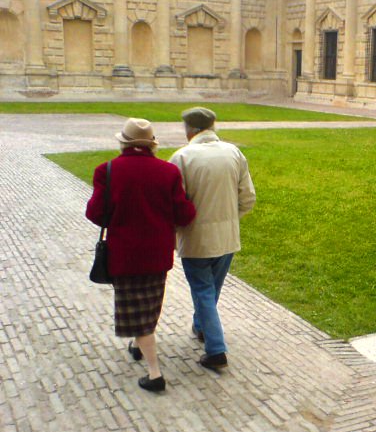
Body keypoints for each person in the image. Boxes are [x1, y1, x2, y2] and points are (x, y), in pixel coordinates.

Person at [86, 118, 196, 392]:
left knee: (136, 309)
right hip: (157, 254)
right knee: (149, 304)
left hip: (124, 255)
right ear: (151, 144)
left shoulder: (107, 170)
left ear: (124, 143)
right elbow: (184, 214)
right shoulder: (168, 172)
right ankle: (138, 344)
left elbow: (95, 213)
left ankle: (155, 373)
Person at [169, 107, 256, 371]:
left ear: (190, 129)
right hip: (227, 237)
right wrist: (230, 218)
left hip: (197, 239)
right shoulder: (233, 153)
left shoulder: (181, 157)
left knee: (203, 291)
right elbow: (248, 198)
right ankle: (201, 326)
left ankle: (216, 349)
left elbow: (176, 204)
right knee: (210, 290)